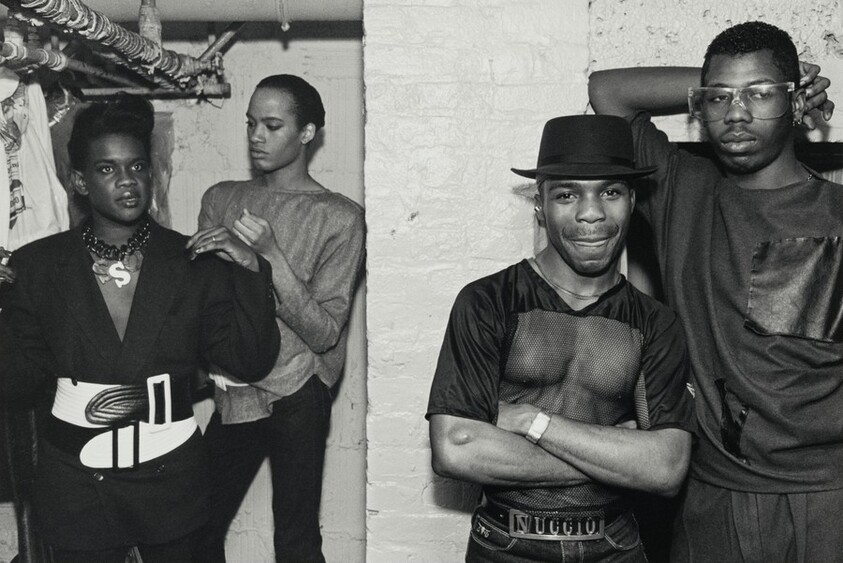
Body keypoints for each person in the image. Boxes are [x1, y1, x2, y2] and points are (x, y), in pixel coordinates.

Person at [588, 20, 841, 562]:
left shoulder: (837, 214)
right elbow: (608, 91)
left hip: (829, 495)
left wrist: (781, 84)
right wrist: (742, 83)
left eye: (760, 95)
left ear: (797, 104)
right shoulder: (684, 190)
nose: (737, 113)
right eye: (720, 98)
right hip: (713, 495)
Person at [0, 96, 281, 563]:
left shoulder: (194, 261)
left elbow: (250, 362)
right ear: (79, 181)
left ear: (151, 173)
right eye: (107, 169)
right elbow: (15, 383)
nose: (127, 180)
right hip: (75, 484)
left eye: (137, 166)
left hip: (172, 481)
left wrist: (252, 271)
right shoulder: (37, 266)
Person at [427, 114, 695, 563]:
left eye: (610, 192)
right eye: (567, 195)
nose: (591, 213)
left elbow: (666, 468)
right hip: (506, 545)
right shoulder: (488, 302)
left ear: (632, 200)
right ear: (540, 205)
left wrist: (532, 421)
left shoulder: (655, 323)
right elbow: (457, 448)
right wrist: (617, 458)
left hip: (615, 547)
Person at [193, 74, 365, 563]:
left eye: (272, 126)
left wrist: (265, 258)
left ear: (307, 133)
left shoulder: (340, 216)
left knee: (295, 542)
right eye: (251, 124)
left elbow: (325, 332)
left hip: (298, 393)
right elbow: (206, 302)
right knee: (195, 528)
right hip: (235, 388)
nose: (256, 136)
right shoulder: (221, 199)